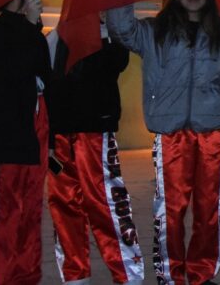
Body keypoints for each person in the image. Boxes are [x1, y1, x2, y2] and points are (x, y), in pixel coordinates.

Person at [106, 0, 220, 285]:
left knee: (209, 208)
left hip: (212, 132)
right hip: (171, 134)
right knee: (171, 208)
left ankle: (201, 272)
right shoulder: (156, 31)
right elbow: (121, 29)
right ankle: (170, 274)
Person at [46, 25, 144, 283]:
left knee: (107, 204)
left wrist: (105, 31)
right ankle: (75, 274)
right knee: (64, 206)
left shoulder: (109, 34)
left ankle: (128, 274)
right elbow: (47, 84)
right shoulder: (55, 36)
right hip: (59, 136)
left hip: (94, 132)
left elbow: (117, 62)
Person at [0, 0, 51, 285]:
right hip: (1, 143)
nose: (37, 1)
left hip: (31, 143)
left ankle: (25, 278)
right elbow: (8, 76)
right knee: (2, 223)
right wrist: (29, 26)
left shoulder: (32, 33)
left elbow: (44, 77)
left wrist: (32, 27)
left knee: (28, 220)